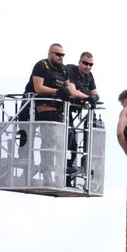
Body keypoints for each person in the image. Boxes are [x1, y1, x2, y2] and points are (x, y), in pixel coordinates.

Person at [24, 43, 76, 186]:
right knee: (46, 143)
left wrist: (67, 92)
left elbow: (68, 87)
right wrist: (57, 92)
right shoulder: (41, 66)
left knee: (63, 141)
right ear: (50, 54)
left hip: (55, 111)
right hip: (37, 110)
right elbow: (38, 87)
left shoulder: (63, 69)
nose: (61, 57)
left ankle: (60, 175)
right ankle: (45, 175)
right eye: (58, 54)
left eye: (63, 55)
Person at [65, 52, 100, 184]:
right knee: (67, 140)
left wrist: (93, 97)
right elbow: (72, 91)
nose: (88, 67)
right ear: (79, 62)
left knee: (73, 142)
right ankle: (63, 172)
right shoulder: (70, 70)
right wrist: (88, 97)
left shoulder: (89, 76)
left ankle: (68, 176)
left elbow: (96, 93)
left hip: (71, 110)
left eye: (90, 64)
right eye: (85, 63)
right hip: (62, 109)